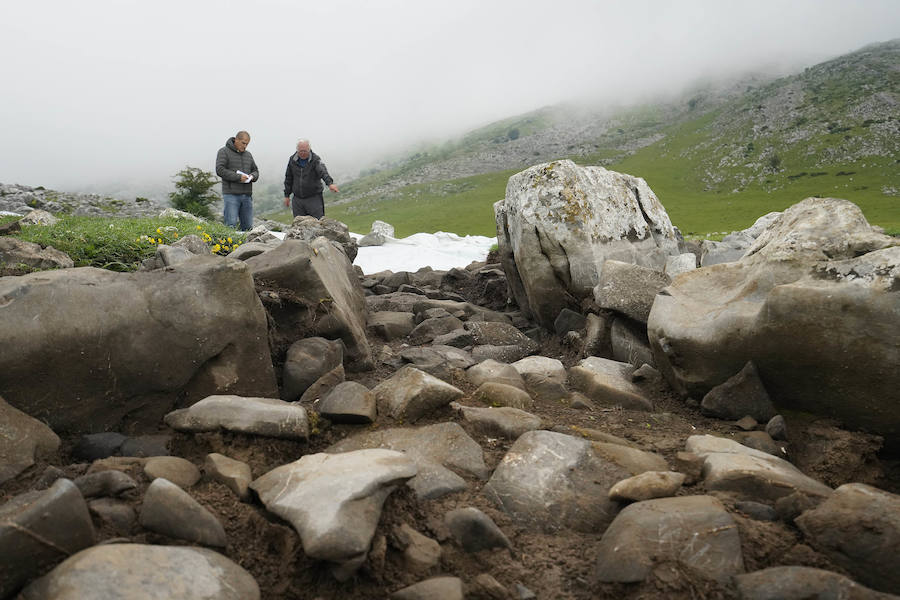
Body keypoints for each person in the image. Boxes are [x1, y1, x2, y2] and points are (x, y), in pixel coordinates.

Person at [283, 139, 339, 219]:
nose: (302, 153)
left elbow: (322, 171)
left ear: (309, 149)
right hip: (297, 200)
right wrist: (287, 195)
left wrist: (330, 183)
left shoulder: (315, 160)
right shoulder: (292, 160)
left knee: (318, 224)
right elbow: (288, 178)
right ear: (297, 150)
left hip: (314, 199)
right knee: (299, 226)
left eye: (304, 151)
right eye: (300, 151)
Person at [216, 130, 259, 231]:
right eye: (243, 143)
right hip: (231, 195)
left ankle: (247, 247)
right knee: (230, 226)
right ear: (236, 140)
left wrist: (252, 176)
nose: (245, 146)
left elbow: (255, 170)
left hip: (247, 196)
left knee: (248, 228)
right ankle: (229, 247)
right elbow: (220, 170)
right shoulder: (223, 151)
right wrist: (238, 177)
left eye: (247, 144)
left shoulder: (248, 155)